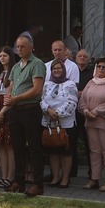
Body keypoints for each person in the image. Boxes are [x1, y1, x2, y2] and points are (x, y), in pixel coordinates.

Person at [4, 34, 46, 197]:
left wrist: (16, 98)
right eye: (18, 47)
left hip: (30, 109)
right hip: (16, 111)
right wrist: (9, 98)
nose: (19, 49)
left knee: (34, 147)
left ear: (31, 48)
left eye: (22, 47)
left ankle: (37, 183)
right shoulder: (16, 67)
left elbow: (36, 89)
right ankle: (19, 181)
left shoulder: (37, 64)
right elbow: (11, 87)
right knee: (17, 147)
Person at [41, 60, 78, 188]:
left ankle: (65, 178)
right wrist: (49, 111)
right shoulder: (47, 84)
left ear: (63, 70)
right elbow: (41, 100)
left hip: (65, 124)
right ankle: (55, 177)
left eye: (59, 68)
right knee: (53, 151)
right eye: (54, 69)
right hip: (49, 123)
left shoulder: (70, 84)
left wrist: (57, 113)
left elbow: (72, 102)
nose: (57, 71)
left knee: (65, 152)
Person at [78, 58, 105, 189]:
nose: (101, 69)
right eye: (99, 66)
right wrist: (86, 111)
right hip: (90, 122)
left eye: (104, 67)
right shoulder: (91, 82)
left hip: (104, 122)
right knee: (94, 151)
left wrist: (96, 111)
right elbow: (82, 100)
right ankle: (94, 178)